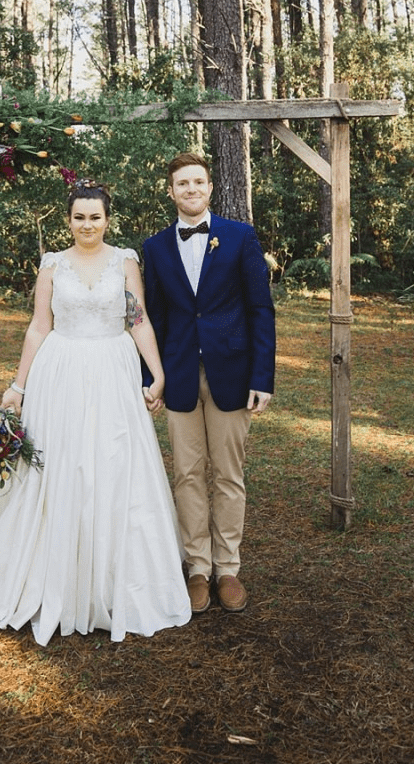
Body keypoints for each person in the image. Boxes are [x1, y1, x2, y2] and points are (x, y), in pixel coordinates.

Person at [0, 180, 191, 645]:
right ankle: (52, 566)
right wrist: (17, 386)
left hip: (112, 368)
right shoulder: (52, 265)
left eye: (95, 217)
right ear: (68, 220)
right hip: (61, 372)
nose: (88, 225)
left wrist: (157, 373)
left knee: (112, 462)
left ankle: (113, 575)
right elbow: (39, 326)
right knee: (60, 465)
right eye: (79, 217)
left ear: (108, 219)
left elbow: (138, 319)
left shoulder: (125, 260)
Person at [142, 152, 275, 616]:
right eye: (182, 183)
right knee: (187, 473)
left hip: (233, 373)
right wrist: (149, 378)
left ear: (210, 188)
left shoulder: (239, 237)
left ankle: (228, 568)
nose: (191, 189)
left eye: (198, 181)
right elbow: (152, 318)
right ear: (171, 191)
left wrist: (262, 377)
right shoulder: (155, 248)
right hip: (178, 374)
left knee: (229, 473)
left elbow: (261, 309)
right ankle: (197, 568)